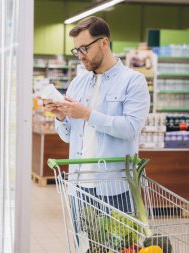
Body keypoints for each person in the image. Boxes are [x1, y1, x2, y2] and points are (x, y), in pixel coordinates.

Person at [41, 16, 149, 247]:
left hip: (115, 186)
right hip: (79, 185)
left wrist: (88, 114)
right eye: (76, 50)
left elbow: (131, 128)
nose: (80, 55)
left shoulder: (133, 81)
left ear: (104, 42)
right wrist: (60, 115)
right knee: (84, 247)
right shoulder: (77, 83)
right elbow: (69, 136)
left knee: (119, 247)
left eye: (84, 48)